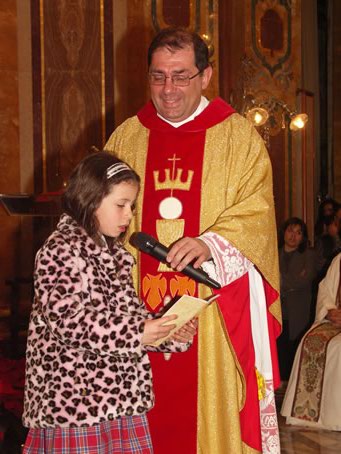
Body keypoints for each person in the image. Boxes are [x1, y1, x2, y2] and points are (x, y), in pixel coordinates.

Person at [105, 27, 282, 454]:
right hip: (135, 314)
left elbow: (257, 214)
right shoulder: (126, 138)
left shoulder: (238, 138)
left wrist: (211, 244)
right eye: (158, 76)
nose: (168, 89)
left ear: (206, 76)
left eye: (181, 76)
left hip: (211, 318)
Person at [22, 151, 196, 454]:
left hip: (119, 399)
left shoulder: (114, 256)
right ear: (90, 200)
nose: (129, 215)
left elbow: (129, 316)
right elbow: (68, 321)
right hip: (76, 403)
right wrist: (136, 332)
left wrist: (166, 330)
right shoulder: (60, 249)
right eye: (120, 204)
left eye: (132, 205)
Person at [281, 252, 341, 430]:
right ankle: (307, 415)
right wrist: (329, 310)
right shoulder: (339, 259)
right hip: (336, 320)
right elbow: (325, 289)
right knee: (312, 341)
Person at [277, 217, 321, 380]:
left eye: (298, 232)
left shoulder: (308, 255)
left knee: (295, 349)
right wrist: (291, 280)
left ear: (303, 237)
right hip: (279, 310)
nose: (293, 236)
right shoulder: (275, 254)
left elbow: (306, 279)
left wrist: (282, 280)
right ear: (284, 233)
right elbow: (271, 280)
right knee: (280, 349)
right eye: (290, 230)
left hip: (299, 310)